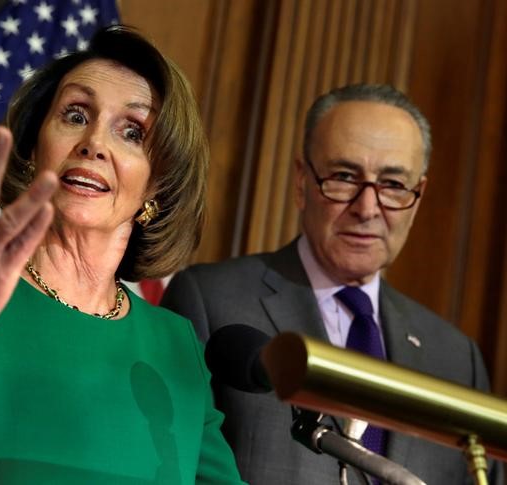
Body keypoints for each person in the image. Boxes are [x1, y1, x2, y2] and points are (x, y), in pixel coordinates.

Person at [0, 26, 244, 484]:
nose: (94, 143)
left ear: (157, 187)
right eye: (74, 115)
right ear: (34, 149)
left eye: (132, 131)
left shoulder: (175, 347)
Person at [161, 84, 505, 484]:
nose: (367, 208)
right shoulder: (212, 302)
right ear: (301, 181)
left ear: (419, 195)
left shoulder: (456, 357)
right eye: (344, 177)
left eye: (393, 185)